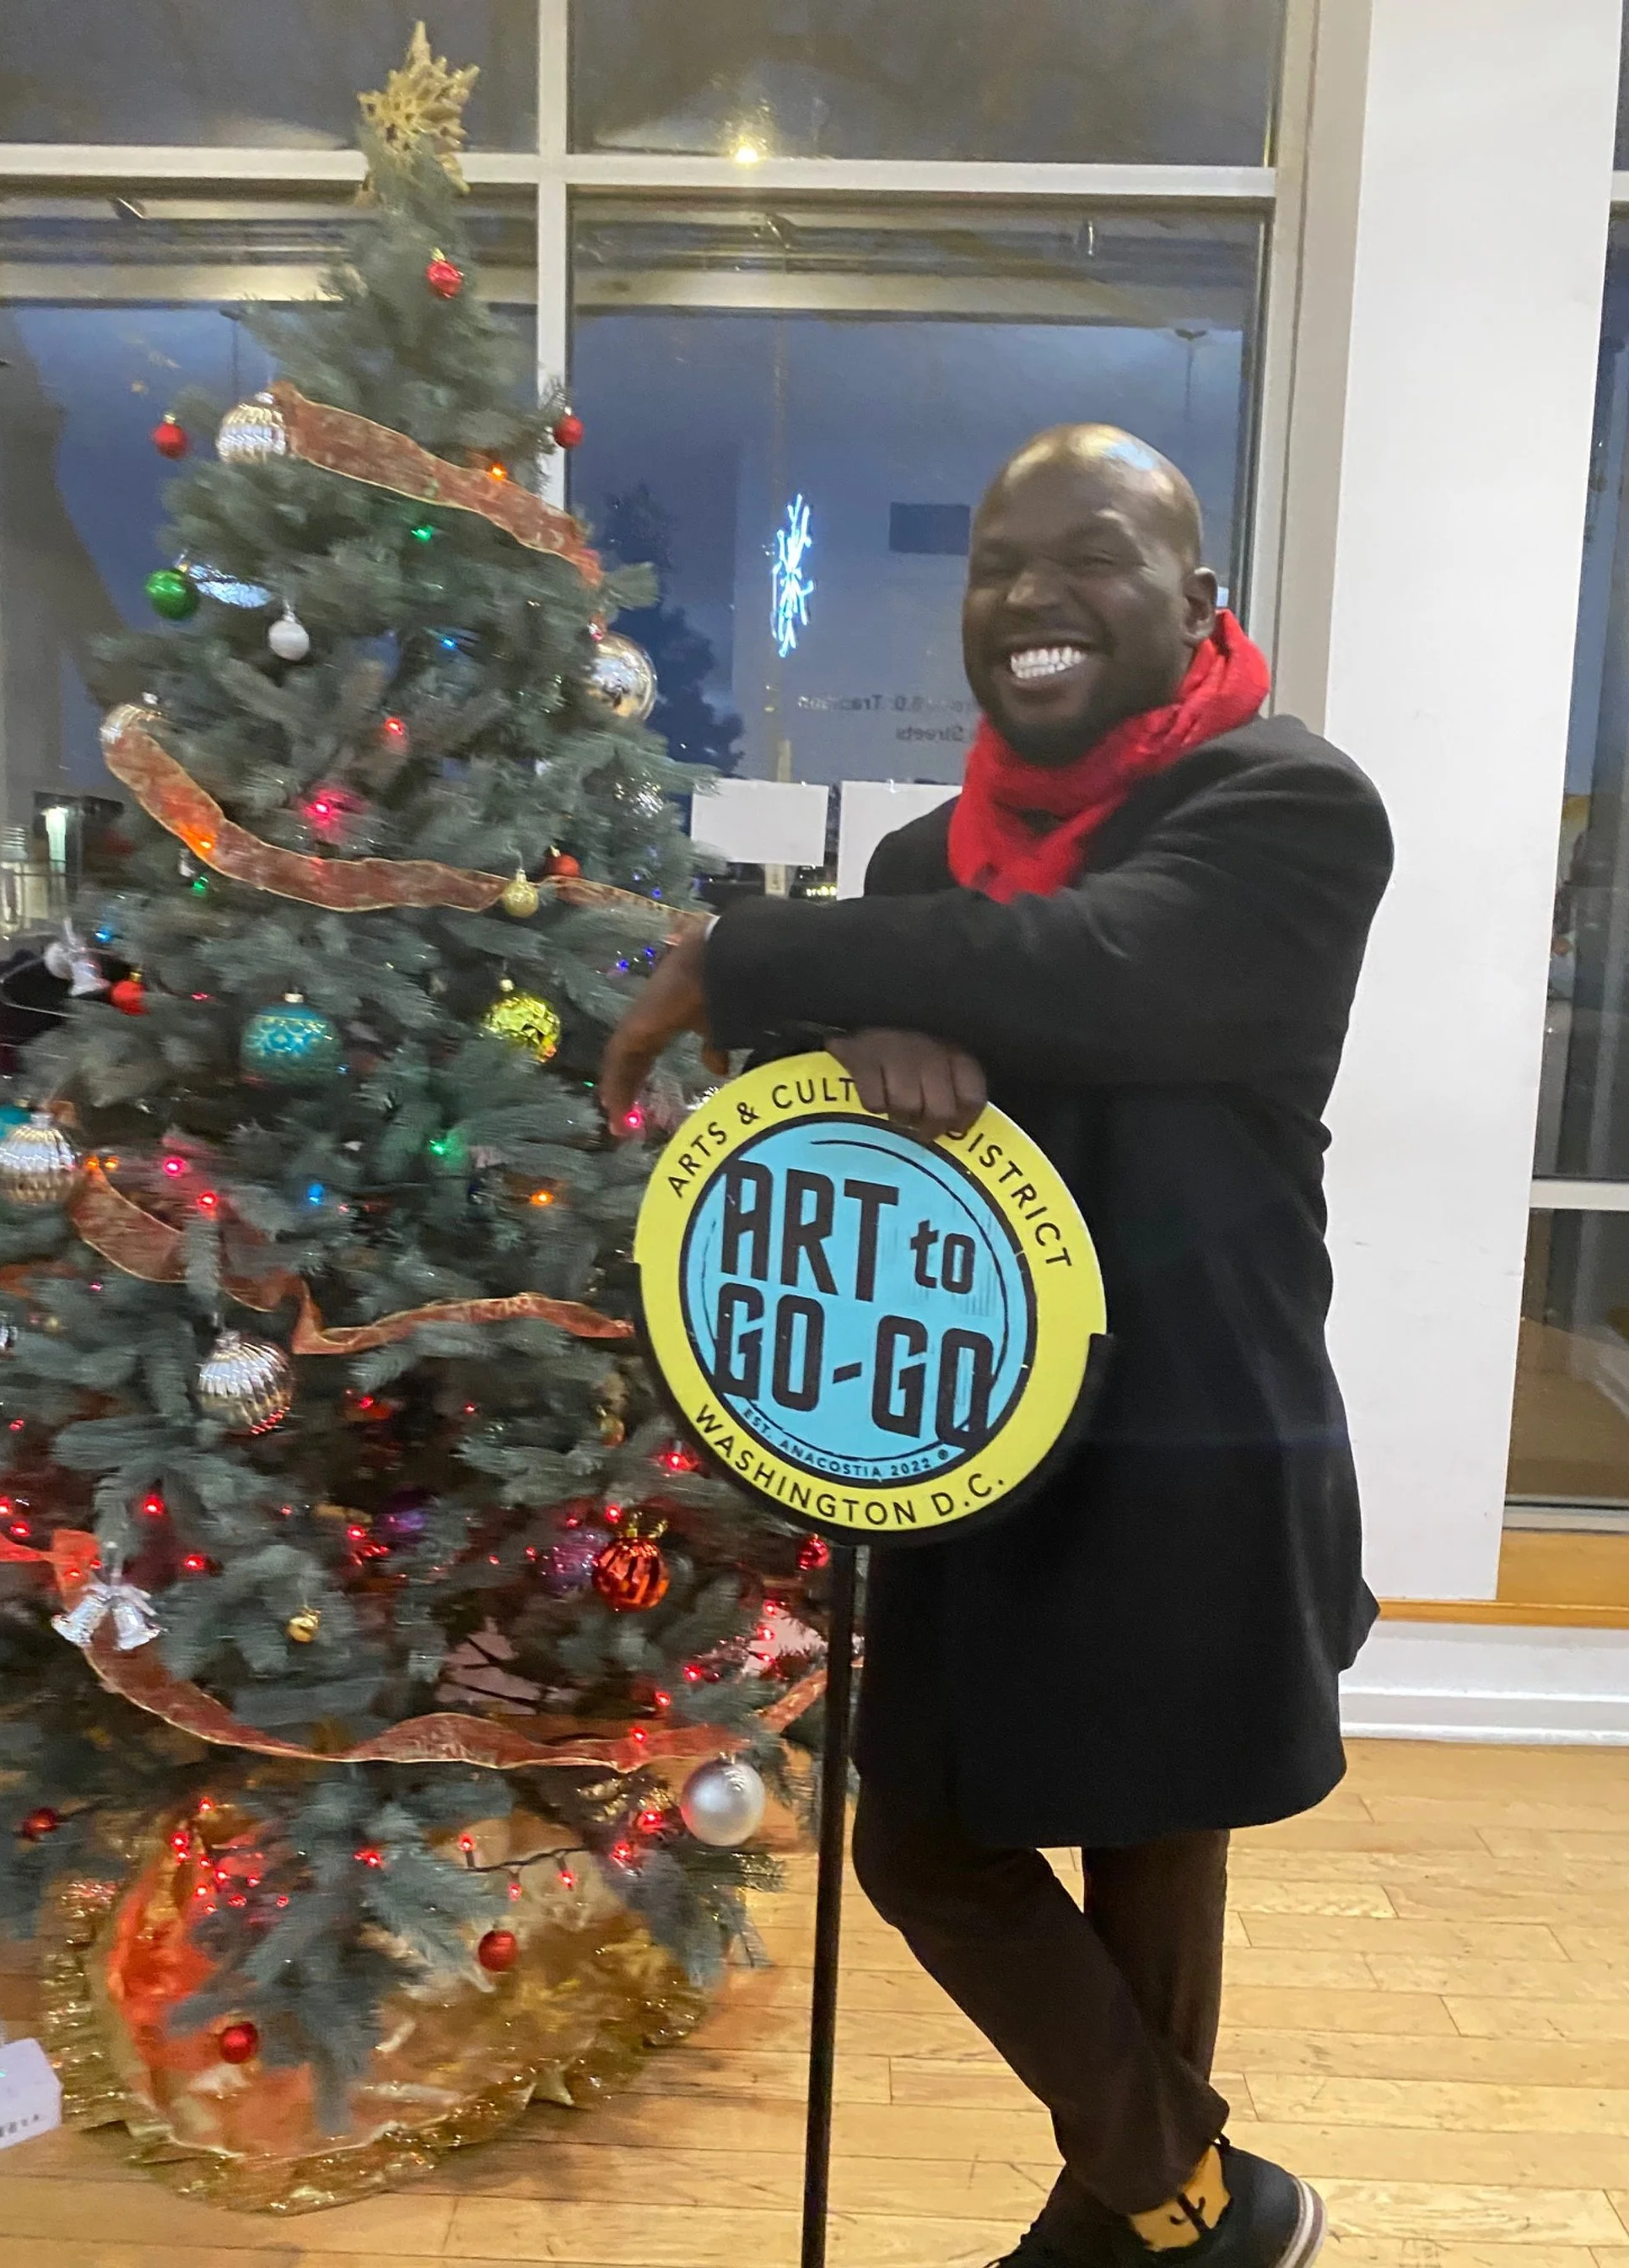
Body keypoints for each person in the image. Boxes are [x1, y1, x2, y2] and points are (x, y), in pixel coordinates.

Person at [601, 424, 1392, 2268]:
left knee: (1149, 1846)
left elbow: (1103, 976)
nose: (1033, 594)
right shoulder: (913, 862)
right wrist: (855, 1033)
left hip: (1199, 1426)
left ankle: (1137, 2217)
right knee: (923, 1843)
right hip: (968, 1427)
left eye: (1093, 555)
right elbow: (854, 1108)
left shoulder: (1286, 807)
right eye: (996, 563)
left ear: (1198, 602)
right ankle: (1199, 2200)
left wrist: (764, 952)